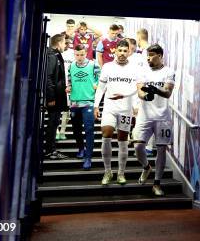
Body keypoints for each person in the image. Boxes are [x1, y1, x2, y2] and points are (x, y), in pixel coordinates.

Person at [94, 39, 138, 185]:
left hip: (125, 109)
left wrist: (135, 105)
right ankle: (107, 172)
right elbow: (101, 88)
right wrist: (95, 106)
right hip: (109, 108)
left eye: (125, 51)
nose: (122, 53)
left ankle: (120, 173)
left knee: (123, 140)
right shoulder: (107, 67)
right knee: (106, 134)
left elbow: (137, 89)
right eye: (120, 50)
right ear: (115, 51)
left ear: (129, 52)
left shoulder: (134, 68)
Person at [134, 44, 176, 196]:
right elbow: (139, 90)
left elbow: (167, 92)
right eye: (147, 55)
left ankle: (157, 184)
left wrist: (156, 90)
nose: (148, 58)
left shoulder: (168, 71)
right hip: (145, 115)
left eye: (152, 55)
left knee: (161, 149)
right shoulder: (143, 70)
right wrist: (146, 95)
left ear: (160, 55)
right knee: (138, 147)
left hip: (162, 116)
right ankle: (146, 167)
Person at [66, 44, 100, 170]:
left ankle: (88, 158)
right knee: (76, 129)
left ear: (86, 53)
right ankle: (81, 148)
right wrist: (68, 87)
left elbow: (101, 79)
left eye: (81, 54)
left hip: (89, 102)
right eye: (77, 55)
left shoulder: (93, 65)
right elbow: (69, 80)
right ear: (74, 54)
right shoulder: (71, 66)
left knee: (89, 129)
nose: (79, 57)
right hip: (74, 102)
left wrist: (96, 85)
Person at [44, 34, 69, 160]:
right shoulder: (52, 55)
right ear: (59, 43)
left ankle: (51, 149)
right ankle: (50, 150)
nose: (65, 45)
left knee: (54, 123)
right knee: (53, 124)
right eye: (64, 43)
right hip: (54, 98)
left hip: (58, 96)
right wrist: (51, 98)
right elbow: (48, 77)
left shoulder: (55, 55)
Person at [57, 36, 75, 140]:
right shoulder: (58, 54)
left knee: (67, 111)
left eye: (70, 42)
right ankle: (56, 131)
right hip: (59, 85)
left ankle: (62, 131)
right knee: (57, 111)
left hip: (70, 86)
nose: (68, 44)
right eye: (66, 42)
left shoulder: (73, 55)